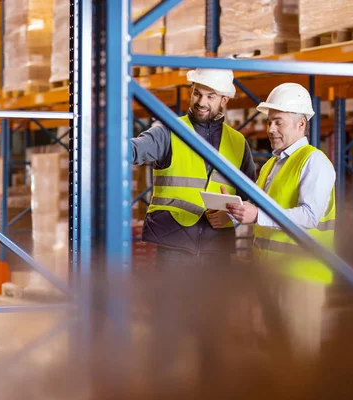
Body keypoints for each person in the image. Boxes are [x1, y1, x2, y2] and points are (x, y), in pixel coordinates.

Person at [224, 82, 336, 360]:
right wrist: (237, 210)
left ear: (301, 124)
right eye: (269, 122)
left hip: (301, 277)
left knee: (299, 357)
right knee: (274, 356)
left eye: (278, 122)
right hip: (269, 274)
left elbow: (310, 215)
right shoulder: (271, 165)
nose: (270, 129)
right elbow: (265, 211)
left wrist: (257, 214)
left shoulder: (314, 162)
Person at [130, 68, 257, 267]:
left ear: (224, 100)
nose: (201, 102)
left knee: (213, 300)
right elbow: (133, 150)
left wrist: (230, 217)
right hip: (174, 244)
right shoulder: (168, 131)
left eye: (210, 96)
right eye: (197, 93)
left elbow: (249, 198)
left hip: (216, 248)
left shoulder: (238, 143)